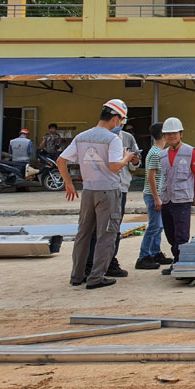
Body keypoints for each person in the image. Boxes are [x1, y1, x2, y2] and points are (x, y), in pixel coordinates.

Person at [56, 99, 136, 290]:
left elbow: (61, 160)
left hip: (88, 190)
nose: (120, 125)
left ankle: (77, 275)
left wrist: (68, 183)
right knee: (106, 235)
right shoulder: (112, 139)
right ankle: (96, 277)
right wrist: (127, 158)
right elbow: (115, 166)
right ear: (116, 119)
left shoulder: (82, 136)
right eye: (121, 121)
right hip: (108, 191)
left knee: (83, 233)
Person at [85, 117, 141, 278]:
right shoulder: (96, 137)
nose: (118, 125)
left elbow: (133, 164)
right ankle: (90, 264)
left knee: (113, 229)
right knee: (95, 229)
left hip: (119, 188)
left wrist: (135, 161)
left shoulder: (128, 138)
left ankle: (109, 262)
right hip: (99, 187)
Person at [158, 117, 195, 276]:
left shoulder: (191, 152)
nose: (171, 136)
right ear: (163, 136)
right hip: (167, 199)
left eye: (174, 133)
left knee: (181, 234)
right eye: (167, 134)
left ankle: (182, 263)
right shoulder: (162, 155)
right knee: (170, 233)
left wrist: (194, 195)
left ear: (181, 134)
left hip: (183, 199)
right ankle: (176, 260)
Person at [136, 122, 172, 270]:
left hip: (157, 195)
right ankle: (143, 256)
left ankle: (155, 253)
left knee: (159, 226)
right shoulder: (155, 153)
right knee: (154, 226)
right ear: (163, 135)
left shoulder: (160, 152)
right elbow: (150, 177)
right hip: (153, 195)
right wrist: (156, 197)